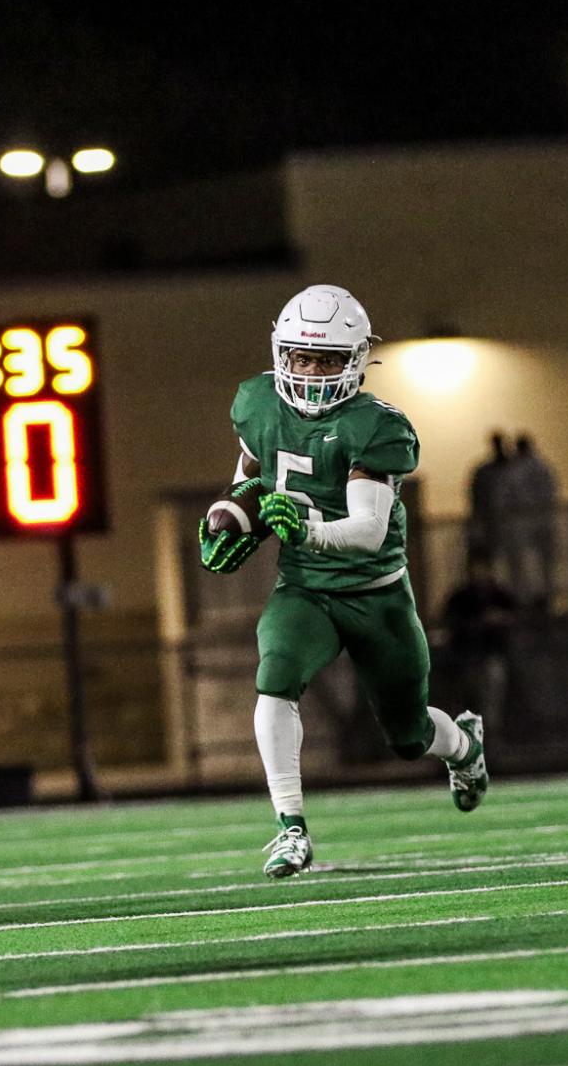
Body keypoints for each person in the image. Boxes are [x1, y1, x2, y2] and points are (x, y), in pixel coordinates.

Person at [198, 284, 488, 879]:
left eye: (327, 359)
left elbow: (366, 530)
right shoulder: (257, 404)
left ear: (356, 361)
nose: (311, 371)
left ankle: (463, 746)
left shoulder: (374, 427)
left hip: (376, 594)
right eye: (302, 358)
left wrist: (301, 526)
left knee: (407, 737)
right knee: (274, 678)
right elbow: (248, 480)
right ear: (282, 353)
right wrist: (230, 516)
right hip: (305, 590)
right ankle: (290, 830)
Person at [439, 550, 517, 743]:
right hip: (467, 657)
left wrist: (499, 619)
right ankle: (472, 740)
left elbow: (515, 613)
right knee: (469, 699)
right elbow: (450, 620)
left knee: (492, 698)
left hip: (491, 654)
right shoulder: (461, 596)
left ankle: (491, 739)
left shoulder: (498, 594)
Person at [502, 433, 557, 607]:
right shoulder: (542, 466)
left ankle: (532, 598)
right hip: (536, 519)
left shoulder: (518, 469)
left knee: (527, 564)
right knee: (538, 564)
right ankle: (538, 597)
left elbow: (506, 495)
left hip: (525, 520)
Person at [465, 432, 512, 571]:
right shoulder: (483, 471)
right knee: (493, 560)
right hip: (490, 522)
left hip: (511, 522)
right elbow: (476, 497)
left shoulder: (513, 469)